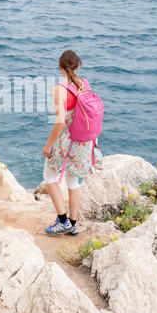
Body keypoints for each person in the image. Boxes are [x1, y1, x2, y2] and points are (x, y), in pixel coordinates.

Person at [43, 50, 103, 236]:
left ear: (60, 67)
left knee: (49, 177)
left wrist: (48, 145)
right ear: (77, 67)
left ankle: (62, 221)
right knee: (73, 180)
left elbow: (60, 123)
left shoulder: (59, 89)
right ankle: (73, 223)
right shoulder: (85, 84)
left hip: (66, 142)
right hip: (83, 142)